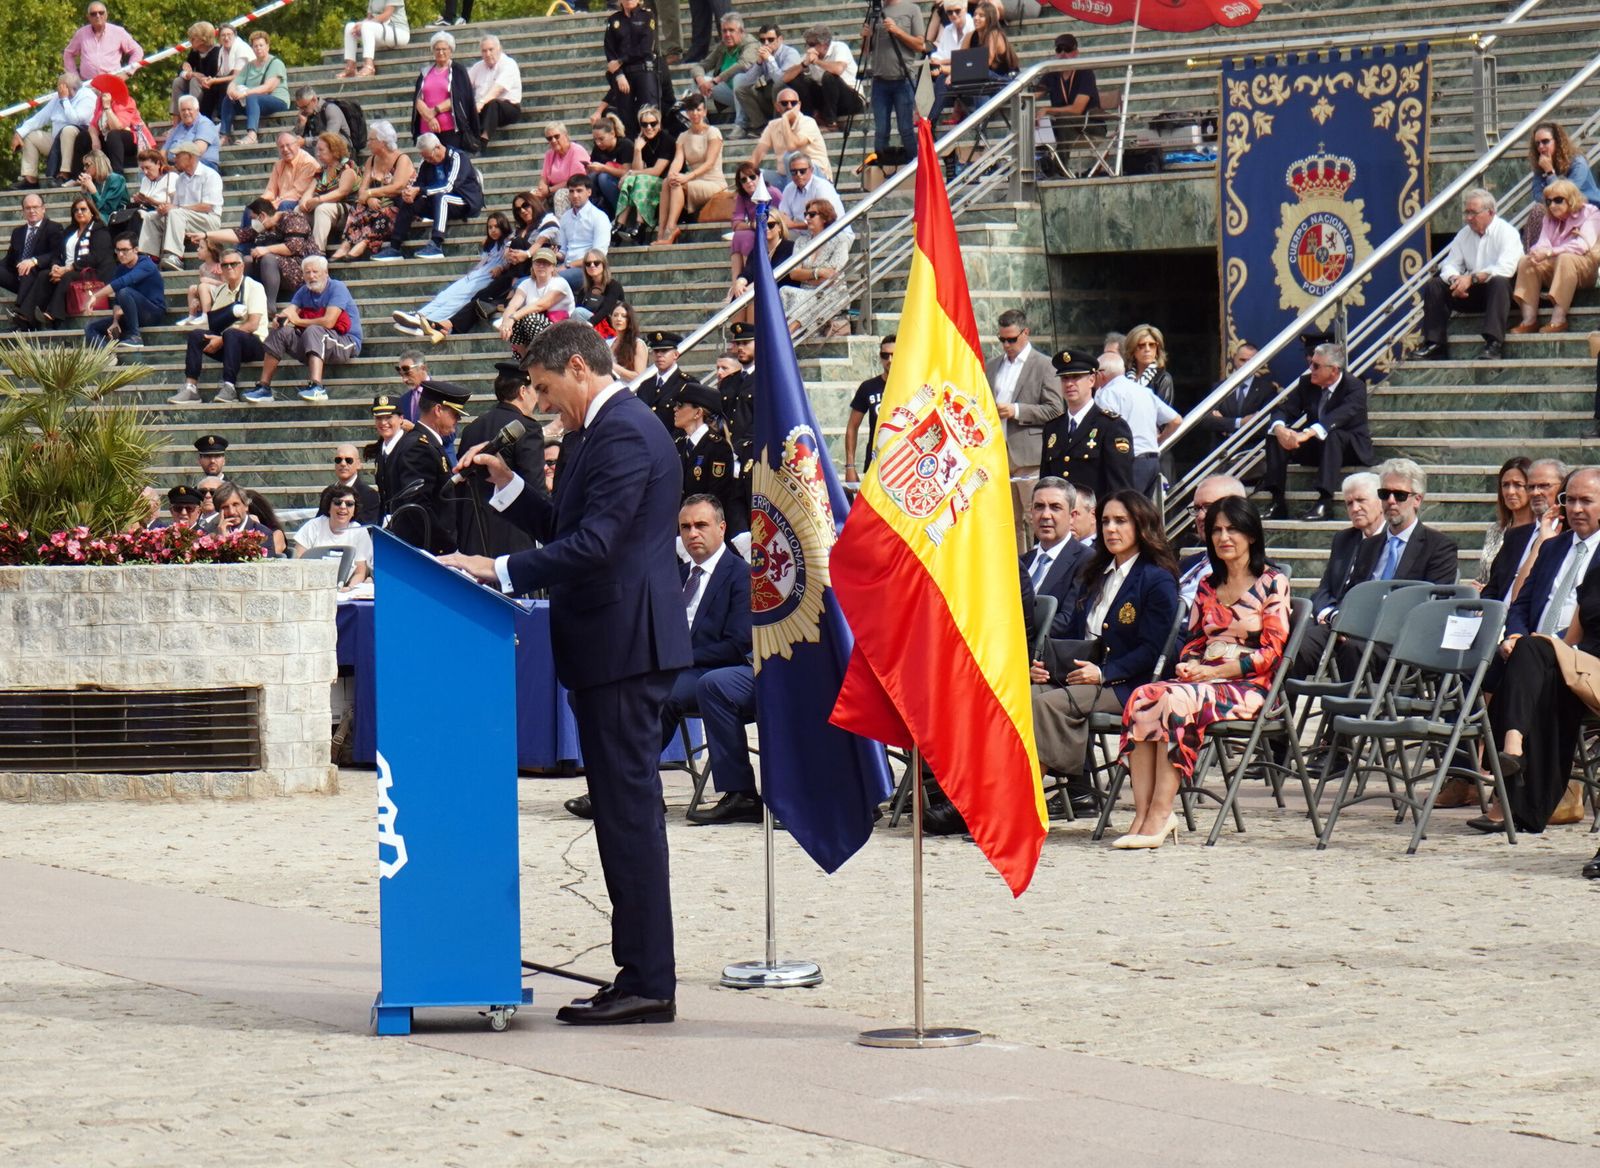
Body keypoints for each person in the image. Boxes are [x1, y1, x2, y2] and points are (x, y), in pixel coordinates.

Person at [441, 322, 693, 1026]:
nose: (545, 404)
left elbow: (597, 545)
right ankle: (639, 974)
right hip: (608, 647)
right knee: (619, 816)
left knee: (629, 818)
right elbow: (568, 526)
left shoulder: (624, 433)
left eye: (547, 388)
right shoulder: (596, 432)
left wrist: (495, 567)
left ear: (578, 367)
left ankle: (648, 981)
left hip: (626, 648)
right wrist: (509, 488)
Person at [1114, 497, 1288, 848]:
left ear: (1251, 535)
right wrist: (1189, 663)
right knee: (1144, 696)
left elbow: (1272, 653)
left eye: (1232, 529)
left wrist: (1217, 671)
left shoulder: (1273, 582)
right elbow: (1194, 641)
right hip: (1205, 681)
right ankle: (1141, 814)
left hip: (1250, 686)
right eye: (1217, 530)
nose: (1223, 537)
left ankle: (1162, 813)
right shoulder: (1208, 585)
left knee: (1176, 700)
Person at [1030, 489, 1180, 809]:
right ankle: (1061, 788)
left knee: (1047, 704)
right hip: (1085, 676)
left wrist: (1102, 673)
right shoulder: (1097, 573)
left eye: (1121, 521)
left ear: (1141, 525)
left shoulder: (1156, 579)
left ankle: (1022, 803)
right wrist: (1049, 666)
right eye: (1106, 521)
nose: (1111, 529)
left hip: (1131, 684)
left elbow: (1155, 650)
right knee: (1024, 695)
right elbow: (1076, 634)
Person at [1487, 465, 1600, 835]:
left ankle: (1508, 759)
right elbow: (1520, 604)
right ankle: (1512, 779)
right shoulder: (1552, 547)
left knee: (1533, 656)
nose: (1576, 509)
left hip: (1585, 659)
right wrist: (1513, 635)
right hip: (1535, 655)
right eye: (1570, 500)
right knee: (1507, 661)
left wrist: (1552, 645)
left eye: (1586, 501)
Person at [1260, 342, 1374, 521]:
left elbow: (1339, 417)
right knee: (1274, 435)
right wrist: (1280, 429)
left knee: (1333, 435)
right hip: (1318, 447)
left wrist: (1306, 433)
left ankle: (1324, 501)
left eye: (1316, 366)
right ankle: (1277, 501)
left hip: (1349, 447)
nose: (1310, 369)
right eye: (1310, 364)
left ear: (1334, 370)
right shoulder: (1306, 383)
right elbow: (1285, 409)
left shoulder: (1355, 386)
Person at [1413, 188, 1522, 362]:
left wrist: (1472, 278)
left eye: (1473, 213)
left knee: (1499, 282)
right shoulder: (1463, 234)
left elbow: (1506, 268)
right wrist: (1455, 280)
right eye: (1466, 212)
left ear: (1490, 212)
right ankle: (1434, 344)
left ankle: (1493, 344)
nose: (1468, 218)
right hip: (1470, 292)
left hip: (1501, 294)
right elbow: (1450, 264)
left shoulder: (1507, 232)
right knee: (1435, 285)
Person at [453, 362, 544, 558]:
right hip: (513, 533)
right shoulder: (527, 427)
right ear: (523, 391)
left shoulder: (473, 427)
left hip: (474, 531)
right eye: (535, 390)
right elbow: (535, 486)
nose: (537, 399)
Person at [983, 309, 1062, 533]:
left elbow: (1055, 410)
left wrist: (1016, 410)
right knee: (1008, 520)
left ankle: (1039, 555)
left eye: (1011, 339)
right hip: (998, 453)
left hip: (1029, 456)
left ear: (1025, 333)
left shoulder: (1045, 365)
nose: (1006, 345)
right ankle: (1017, 558)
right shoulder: (992, 366)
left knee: (1034, 516)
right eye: (1002, 340)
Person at [244, 256, 363, 403]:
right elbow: (290, 310)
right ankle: (264, 388)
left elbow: (329, 322)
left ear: (326, 273)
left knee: (313, 330)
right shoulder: (304, 291)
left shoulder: (337, 287)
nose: (311, 276)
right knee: (280, 332)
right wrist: (280, 318)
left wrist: (298, 321)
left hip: (346, 343)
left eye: (315, 272)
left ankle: (317, 387)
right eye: (307, 272)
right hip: (316, 342)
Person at [392, 211, 510, 341]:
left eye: (496, 226)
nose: (493, 230)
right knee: (445, 295)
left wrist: (501, 267)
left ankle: (429, 321)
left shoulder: (507, 242)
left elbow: (509, 259)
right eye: (490, 227)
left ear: (503, 226)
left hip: (487, 278)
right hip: (474, 275)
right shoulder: (491, 245)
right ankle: (420, 316)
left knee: (458, 299)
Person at [169, 249, 268, 404]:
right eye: (225, 265)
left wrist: (222, 339)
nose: (229, 268)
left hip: (254, 344)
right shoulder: (221, 290)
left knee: (231, 333)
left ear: (242, 266)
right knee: (196, 335)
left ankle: (229, 387)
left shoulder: (254, 287)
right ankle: (191, 387)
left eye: (233, 264)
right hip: (228, 342)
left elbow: (253, 324)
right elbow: (215, 323)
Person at [1509, 178, 1599, 336]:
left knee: (1566, 258)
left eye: (1558, 200)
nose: (1552, 205)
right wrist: (1536, 253)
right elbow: (1542, 243)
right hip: (1556, 265)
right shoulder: (1548, 218)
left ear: (1571, 199)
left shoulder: (1591, 213)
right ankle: (1529, 320)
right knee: (1527, 261)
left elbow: (1582, 246)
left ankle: (1558, 319)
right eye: (1549, 201)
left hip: (1585, 267)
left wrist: (1550, 252)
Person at [1039, 347, 1134, 495]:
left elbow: (1120, 487)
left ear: (1091, 380)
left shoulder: (1111, 426)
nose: (1069, 384)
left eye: (1076, 377)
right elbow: (1046, 482)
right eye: (1065, 378)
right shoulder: (1052, 428)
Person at [373, 133, 483, 261]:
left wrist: (420, 190)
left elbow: (449, 186)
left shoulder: (458, 157)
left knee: (442, 197)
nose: (428, 161)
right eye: (425, 158)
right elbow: (420, 184)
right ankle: (394, 247)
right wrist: (410, 192)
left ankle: (436, 244)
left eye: (429, 157)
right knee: (410, 201)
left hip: (465, 200)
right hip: (437, 202)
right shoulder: (425, 162)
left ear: (438, 147)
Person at [387, 380, 468, 553]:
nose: (458, 420)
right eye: (455, 414)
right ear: (438, 410)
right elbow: (418, 506)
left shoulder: (428, 444)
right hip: (424, 551)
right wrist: (444, 547)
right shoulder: (419, 447)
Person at [21, 195, 112, 329]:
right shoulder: (70, 231)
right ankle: (25, 315)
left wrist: (68, 268)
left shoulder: (100, 230)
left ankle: (52, 313)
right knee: (44, 275)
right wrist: (55, 266)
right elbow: (57, 253)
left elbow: (95, 257)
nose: (79, 212)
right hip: (68, 269)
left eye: (83, 209)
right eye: (76, 210)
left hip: (91, 273)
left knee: (68, 277)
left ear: (92, 211)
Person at [1096, 352, 1179, 498]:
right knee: (1142, 510)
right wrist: (1158, 441)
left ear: (1101, 374)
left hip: (1129, 462)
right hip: (1152, 461)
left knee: (1125, 508)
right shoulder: (1144, 391)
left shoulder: (1107, 394)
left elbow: (1105, 430)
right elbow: (1176, 420)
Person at [331, 120, 414, 262]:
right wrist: (369, 199)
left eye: (371, 140)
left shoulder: (402, 159)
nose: (367, 143)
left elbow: (397, 187)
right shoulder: (372, 160)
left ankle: (364, 242)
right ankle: (347, 243)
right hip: (377, 204)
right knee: (358, 207)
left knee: (386, 213)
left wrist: (370, 193)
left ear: (382, 142)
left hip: (399, 206)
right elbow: (362, 189)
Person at [1484, 457, 1564, 603]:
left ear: (1563, 488)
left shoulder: (1569, 534)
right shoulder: (1516, 535)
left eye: (1544, 486)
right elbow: (1494, 586)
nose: (1535, 493)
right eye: (1531, 487)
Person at [670, 380, 745, 532]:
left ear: (698, 413)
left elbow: (715, 497)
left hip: (702, 528)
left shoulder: (717, 447)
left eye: (680, 405)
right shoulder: (678, 444)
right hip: (677, 526)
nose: (675, 409)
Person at [1023, 476, 1092, 638]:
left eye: (1055, 507)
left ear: (1072, 516)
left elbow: (1068, 621)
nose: (1045, 515)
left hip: (1047, 651)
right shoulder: (1021, 562)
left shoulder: (1086, 560)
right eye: (1039, 507)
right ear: (1031, 513)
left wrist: (1016, 634)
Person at [653, 95, 726, 247]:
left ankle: (671, 228)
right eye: (691, 110)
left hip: (713, 182)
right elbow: (678, 160)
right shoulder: (683, 136)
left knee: (678, 184)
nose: (695, 113)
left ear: (705, 111)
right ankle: (661, 232)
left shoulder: (713, 132)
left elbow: (710, 163)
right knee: (668, 181)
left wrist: (687, 177)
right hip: (693, 180)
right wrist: (672, 174)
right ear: (687, 113)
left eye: (698, 110)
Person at [138, 140, 221, 271]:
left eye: (178, 156)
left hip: (207, 220)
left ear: (190, 156)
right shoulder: (181, 178)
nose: (174, 159)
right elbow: (175, 206)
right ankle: (150, 257)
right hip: (184, 218)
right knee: (151, 216)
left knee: (176, 212)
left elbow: (207, 206)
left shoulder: (210, 175)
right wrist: (164, 209)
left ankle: (175, 256)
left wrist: (176, 208)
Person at [10, 74, 95, 191]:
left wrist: (65, 100)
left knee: (67, 130)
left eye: (61, 87)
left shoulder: (87, 96)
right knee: (31, 136)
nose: (58, 90)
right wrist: (19, 133)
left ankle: (64, 174)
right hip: (56, 142)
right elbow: (40, 118)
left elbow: (76, 120)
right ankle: (30, 179)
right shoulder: (57, 98)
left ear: (68, 88)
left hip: (77, 142)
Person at [1176, 473, 1249, 604]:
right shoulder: (1186, 564)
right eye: (1197, 508)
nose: (1200, 516)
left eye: (1209, 507)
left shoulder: (1257, 577)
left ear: (1239, 510)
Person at [778, 198, 850, 328]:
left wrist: (806, 276)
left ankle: (788, 334)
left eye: (812, 214)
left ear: (824, 217)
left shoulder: (840, 240)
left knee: (810, 298)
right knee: (784, 291)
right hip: (806, 292)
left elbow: (831, 277)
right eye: (806, 214)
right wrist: (818, 272)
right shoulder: (801, 242)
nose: (807, 218)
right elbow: (793, 274)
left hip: (832, 292)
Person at [83, 235, 163, 347]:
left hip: (152, 313)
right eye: (118, 250)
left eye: (125, 250)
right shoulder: (121, 269)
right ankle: (106, 354)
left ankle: (135, 337)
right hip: (130, 315)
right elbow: (117, 301)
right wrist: (115, 321)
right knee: (91, 327)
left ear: (135, 250)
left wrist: (96, 296)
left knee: (124, 291)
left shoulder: (146, 264)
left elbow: (123, 282)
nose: (120, 254)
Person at [610, 108, 674, 244]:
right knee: (633, 179)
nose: (649, 127)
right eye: (644, 124)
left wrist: (632, 173)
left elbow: (657, 171)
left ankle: (640, 225)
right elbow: (637, 169)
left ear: (659, 123)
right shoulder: (642, 141)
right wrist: (638, 150)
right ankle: (620, 224)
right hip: (648, 180)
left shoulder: (667, 140)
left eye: (653, 123)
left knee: (639, 178)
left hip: (665, 181)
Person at [409, 31, 480, 152]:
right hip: (427, 129)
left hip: (450, 129)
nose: (440, 52)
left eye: (444, 49)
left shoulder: (458, 71)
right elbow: (418, 98)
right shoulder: (425, 72)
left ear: (450, 50)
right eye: (437, 49)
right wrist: (430, 118)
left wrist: (435, 111)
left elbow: (459, 98)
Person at [1472, 457, 1535, 593]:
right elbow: (1485, 575)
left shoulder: (1541, 531)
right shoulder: (1496, 530)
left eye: (1518, 485)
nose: (1510, 491)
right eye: (1505, 485)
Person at [1200, 342, 1278, 451]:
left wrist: (1224, 425)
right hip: (1222, 453)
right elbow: (1206, 420)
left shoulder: (1267, 389)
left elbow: (1264, 424)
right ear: (1235, 360)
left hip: (1251, 453)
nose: (1246, 364)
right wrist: (1239, 423)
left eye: (1251, 361)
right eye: (1242, 360)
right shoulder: (1219, 388)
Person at [293, 483, 373, 587]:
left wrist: (348, 589)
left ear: (354, 510)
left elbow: (360, 572)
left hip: (346, 588)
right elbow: (297, 562)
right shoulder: (312, 526)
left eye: (349, 504)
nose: (343, 507)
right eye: (337, 502)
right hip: (312, 586)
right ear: (328, 507)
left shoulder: (359, 531)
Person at [499, 248, 575, 357]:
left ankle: (541, 358)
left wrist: (513, 317)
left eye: (546, 263)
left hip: (560, 330)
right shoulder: (526, 283)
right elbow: (513, 305)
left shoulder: (560, 283)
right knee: (516, 321)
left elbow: (540, 305)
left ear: (553, 267)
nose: (541, 266)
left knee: (529, 317)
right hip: (536, 331)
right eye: (538, 263)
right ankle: (526, 360)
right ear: (533, 265)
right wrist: (506, 322)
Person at [2, 195, 64, 326]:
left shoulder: (54, 228)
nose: (32, 211)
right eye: (28, 208)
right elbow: (9, 260)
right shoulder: (17, 232)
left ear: (43, 209)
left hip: (40, 278)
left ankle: (19, 310)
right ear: (23, 211)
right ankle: (22, 313)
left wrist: (34, 261)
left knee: (28, 268)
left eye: (35, 207)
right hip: (19, 277)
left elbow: (56, 254)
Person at [218, 31, 288, 147]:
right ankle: (224, 136)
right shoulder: (249, 65)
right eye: (255, 46)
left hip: (276, 100)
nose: (258, 48)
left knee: (252, 97)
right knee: (228, 99)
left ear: (267, 46)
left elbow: (268, 87)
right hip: (253, 102)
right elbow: (234, 82)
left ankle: (252, 135)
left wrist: (245, 93)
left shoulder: (276, 63)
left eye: (261, 45)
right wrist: (231, 91)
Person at [602, 0, 658, 137]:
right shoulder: (614, 19)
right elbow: (610, 50)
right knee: (626, 118)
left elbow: (645, 48)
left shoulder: (647, 16)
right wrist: (618, 74)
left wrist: (621, 60)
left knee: (648, 114)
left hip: (643, 71)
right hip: (623, 75)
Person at [749, 88, 829, 185]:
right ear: (777, 106)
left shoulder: (808, 122)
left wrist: (785, 119)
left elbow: (792, 147)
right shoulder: (773, 125)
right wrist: (746, 175)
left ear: (799, 105)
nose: (789, 106)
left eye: (793, 103)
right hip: (786, 177)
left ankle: (794, 193)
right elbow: (757, 155)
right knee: (755, 176)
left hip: (814, 175)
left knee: (791, 157)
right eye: (784, 103)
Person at [691, 15, 758, 129]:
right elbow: (700, 66)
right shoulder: (723, 46)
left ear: (741, 31)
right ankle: (700, 123)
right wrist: (701, 81)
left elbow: (742, 65)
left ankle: (741, 125)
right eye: (724, 31)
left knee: (739, 78)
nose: (727, 34)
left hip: (750, 96)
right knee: (698, 80)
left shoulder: (752, 44)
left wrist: (716, 80)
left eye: (731, 30)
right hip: (730, 94)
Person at [734, 23, 800, 138]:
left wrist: (769, 59)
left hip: (787, 99)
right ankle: (761, 126)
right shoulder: (763, 55)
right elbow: (747, 81)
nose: (766, 43)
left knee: (777, 86)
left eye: (770, 39)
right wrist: (759, 62)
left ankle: (778, 126)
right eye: (762, 40)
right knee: (741, 90)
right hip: (769, 95)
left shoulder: (790, 54)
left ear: (780, 39)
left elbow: (781, 80)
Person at [844, 334, 893, 485]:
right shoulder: (868, 387)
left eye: (894, 355)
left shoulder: (913, 387)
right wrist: (850, 466)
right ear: (880, 357)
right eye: (885, 355)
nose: (890, 360)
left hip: (906, 465)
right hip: (875, 463)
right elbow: (852, 427)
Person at [790, 26, 862, 128]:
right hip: (828, 100)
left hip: (850, 98)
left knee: (829, 76)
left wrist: (816, 61)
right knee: (798, 80)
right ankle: (809, 119)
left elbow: (838, 69)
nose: (808, 48)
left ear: (824, 45)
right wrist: (804, 64)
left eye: (811, 44)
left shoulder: (840, 48)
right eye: (807, 44)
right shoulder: (810, 55)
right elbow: (786, 78)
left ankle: (831, 122)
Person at [300, 132, 361, 253]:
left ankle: (317, 252)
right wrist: (303, 202)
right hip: (327, 209)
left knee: (322, 209)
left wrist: (318, 200)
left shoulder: (348, 167)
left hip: (349, 211)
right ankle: (299, 249)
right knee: (298, 210)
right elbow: (310, 190)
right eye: (317, 150)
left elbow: (342, 192)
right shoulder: (322, 171)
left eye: (321, 150)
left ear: (334, 150)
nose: (317, 154)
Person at [555, 176, 612, 293]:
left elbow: (599, 255)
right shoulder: (565, 217)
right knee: (523, 282)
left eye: (579, 191)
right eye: (571, 191)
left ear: (589, 192)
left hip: (588, 269)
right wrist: (553, 254)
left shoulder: (599, 217)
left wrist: (568, 265)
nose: (575, 195)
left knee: (550, 280)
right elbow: (563, 250)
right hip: (566, 267)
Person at [727, 163, 779, 285]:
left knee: (746, 236)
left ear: (759, 177)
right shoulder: (743, 197)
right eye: (744, 179)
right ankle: (736, 282)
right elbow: (736, 223)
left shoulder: (772, 193)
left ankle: (749, 279)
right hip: (755, 231)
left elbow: (782, 217)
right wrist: (752, 225)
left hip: (772, 230)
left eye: (752, 177)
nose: (749, 182)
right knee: (739, 235)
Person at [63, 3, 143, 81]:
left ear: (106, 15)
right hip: (88, 85)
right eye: (93, 14)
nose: (98, 16)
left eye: (101, 13)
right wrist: (74, 76)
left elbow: (137, 51)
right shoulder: (81, 33)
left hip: (112, 82)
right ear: (88, 17)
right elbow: (68, 53)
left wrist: (128, 72)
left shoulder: (118, 32)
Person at [774, 150, 843, 240]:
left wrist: (793, 224)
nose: (798, 175)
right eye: (794, 172)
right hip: (806, 235)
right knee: (775, 235)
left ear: (811, 170)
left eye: (802, 171)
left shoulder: (821, 187)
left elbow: (825, 221)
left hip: (834, 234)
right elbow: (783, 217)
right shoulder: (789, 189)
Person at [468, 34, 521, 148]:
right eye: (484, 51)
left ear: (499, 49)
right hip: (482, 108)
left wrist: (481, 103)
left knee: (493, 103)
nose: (488, 54)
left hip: (508, 108)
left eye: (491, 50)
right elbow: (465, 84)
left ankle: (483, 140)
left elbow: (498, 89)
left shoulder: (509, 64)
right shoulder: (477, 67)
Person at [252, 132, 319, 220]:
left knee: (284, 204)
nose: (285, 149)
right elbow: (271, 191)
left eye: (288, 145)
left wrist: (275, 203)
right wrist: (259, 202)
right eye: (281, 147)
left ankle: (275, 228)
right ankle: (247, 229)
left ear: (297, 144)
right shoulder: (278, 165)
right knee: (251, 209)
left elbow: (297, 193)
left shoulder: (308, 163)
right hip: (281, 200)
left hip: (300, 202)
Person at [340, 0, 410, 79]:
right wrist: (359, 26)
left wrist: (364, 25)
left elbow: (386, 15)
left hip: (399, 32)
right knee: (350, 27)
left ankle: (369, 66)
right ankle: (350, 67)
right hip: (380, 31)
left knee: (367, 26)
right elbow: (369, 18)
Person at [535, 122, 591, 218]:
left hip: (573, 189)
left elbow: (575, 181)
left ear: (565, 135)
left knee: (561, 195)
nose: (553, 140)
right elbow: (544, 178)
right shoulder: (549, 154)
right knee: (531, 196)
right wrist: (541, 189)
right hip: (552, 190)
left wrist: (549, 190)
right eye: (549, 138)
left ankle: (562, 225)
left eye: (556, 136)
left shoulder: (576, 150)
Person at [637, 329, 687, 430]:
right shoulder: (645, 386)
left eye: (664, 351)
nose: (659, 355)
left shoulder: (686, 384)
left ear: (676, 355)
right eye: (656, 351)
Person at [585, 115, 631, 216]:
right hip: (602, 186)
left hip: (622, 183)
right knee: (591, 178)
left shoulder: (625, 145)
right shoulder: (597, 148)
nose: (598, 143)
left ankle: (620, 213)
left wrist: (603, 168)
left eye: (601, 139)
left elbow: (627, 172)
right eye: (595, 140)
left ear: (612, 134)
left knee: (603, 177)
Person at [161, 96, 220, 172]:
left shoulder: (204, 124)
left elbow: (198, 150)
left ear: (197, 110)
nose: (186, 112)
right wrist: (165, 166)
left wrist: (176, 166)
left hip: (202, 165)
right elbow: (164, 150)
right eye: (183, 110)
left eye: (189, 109)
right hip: (177, 165)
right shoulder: (178, 127)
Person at [329, 443, 383, 524]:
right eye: (338, 460)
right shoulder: (329, 492)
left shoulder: (369, 495)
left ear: (358, 464)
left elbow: (366, 528)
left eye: (349, 460)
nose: (343, 463)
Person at [1124, 322, 1174, 406]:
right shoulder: (1124, 376)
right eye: (1141, 345)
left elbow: (1163, 411)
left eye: (1152, 345)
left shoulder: (1163, 379)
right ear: (1132, 350)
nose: (1147, 349)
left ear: (1157, 349)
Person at [570, 249, 624, 325]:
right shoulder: (584, 289)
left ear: (603, 265)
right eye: (588, 264)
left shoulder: (614, 286)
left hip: (610, 324)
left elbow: (607, 309)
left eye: (596, 263)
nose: (592, 265)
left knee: (578, 312)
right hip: (590, 326)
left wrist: (590, 323)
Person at [606, 301, 647, 379]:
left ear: (629, 319)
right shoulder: (607, 343)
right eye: (615, 315)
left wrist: (614, 367)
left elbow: (639, 377)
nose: (618, 319)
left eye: (623, 316)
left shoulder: (638, 344)